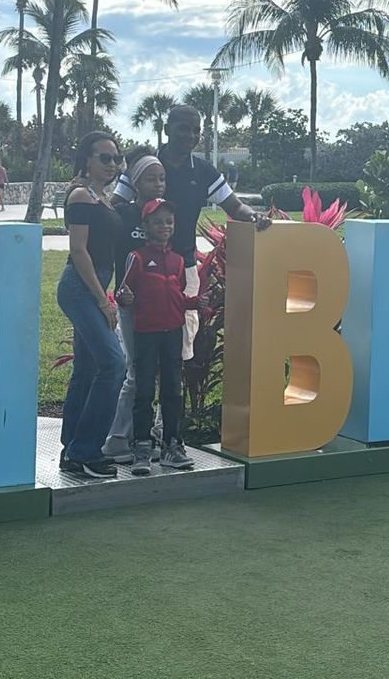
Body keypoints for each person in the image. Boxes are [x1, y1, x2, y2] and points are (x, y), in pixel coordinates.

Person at [113, 104, 271, 361]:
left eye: (196, 131)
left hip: (182, 268)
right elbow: (115, 207)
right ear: (167, 130)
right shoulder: (147, 166)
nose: (190, 136)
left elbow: (233, 205)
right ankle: (141, 399)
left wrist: (253, 216)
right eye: (183, 129)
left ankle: (171, 400)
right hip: (143, 269)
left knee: (179, 349)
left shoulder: (203, 171)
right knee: (139, 354)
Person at [56, 131, 128, 480]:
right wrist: (104, 300)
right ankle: (86, 451)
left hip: (93, 285)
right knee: (114, 365)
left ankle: (71, 447)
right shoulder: (82, 196)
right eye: (105, 158)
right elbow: (78, 250)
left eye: (116, 158)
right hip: (81, 288)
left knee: (86, 370)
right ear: (87, 159)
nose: (112, 164)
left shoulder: (102, 197)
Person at [116, 198, 196, 473]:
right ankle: (141, 448)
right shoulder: (137, 257)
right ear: (145, 225)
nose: (164, 226)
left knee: (173, 389)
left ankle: (172, 446)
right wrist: (123, 297)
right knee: (145, 389)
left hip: (172, 331)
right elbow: (124, 294)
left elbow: (178, 296)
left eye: (169, 222)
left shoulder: (177, 261)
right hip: (146, 334)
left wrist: (198, 303)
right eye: (158, 221)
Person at [102, 151, 166, 461]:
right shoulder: (123, 214)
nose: (158, 184)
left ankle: (149, 435)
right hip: (130, 306)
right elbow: (97, 216)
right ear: (135, 182)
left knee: (154, 371)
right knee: (135, 372)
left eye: (162, 178)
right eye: (151, 178)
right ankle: (115, 439)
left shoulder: (164, 216)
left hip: (159, 307)